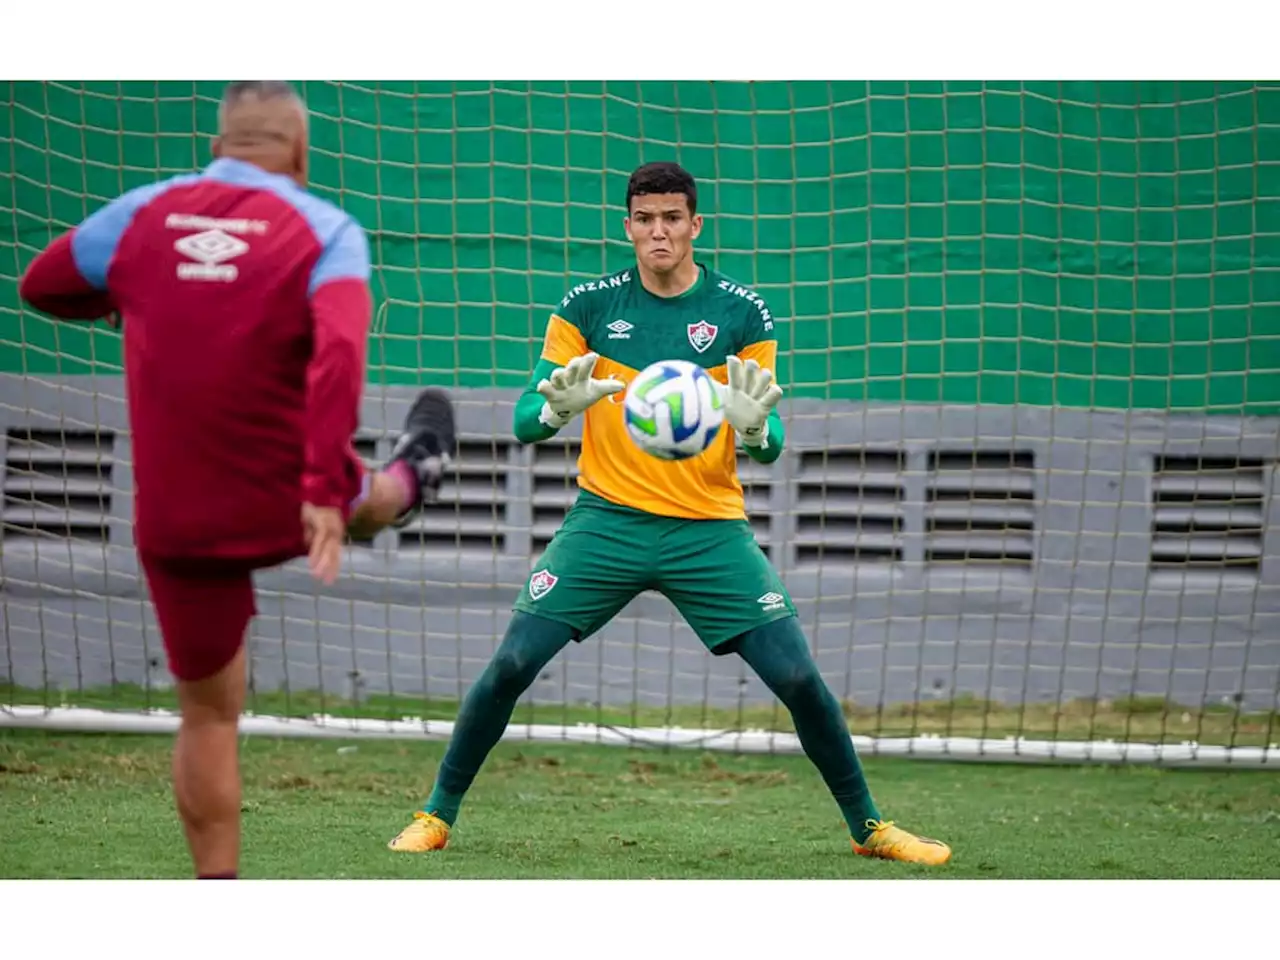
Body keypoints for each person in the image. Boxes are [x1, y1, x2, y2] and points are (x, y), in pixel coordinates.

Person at [388, 161, 951, 866]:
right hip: (606, 521)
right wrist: (556, 406)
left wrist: (752, 428)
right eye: (645, 219)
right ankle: (435, 814)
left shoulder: (741, 312)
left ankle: (869, 827)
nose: (659, 231)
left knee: (800, 678)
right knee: (511, 664)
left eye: (672, 219)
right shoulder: (588, 307)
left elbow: (771, 441)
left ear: (694, 226)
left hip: (708, 528)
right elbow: (527, 419)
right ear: (628, 227)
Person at [18, 80, 457, 879]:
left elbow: (40, 284)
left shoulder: (142, 212)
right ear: (301, 151)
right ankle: (412, 472)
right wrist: (324, 485)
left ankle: (216, 897)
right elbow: (338, 357)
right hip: (288, 484)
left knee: (209, 719)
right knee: (367, 507)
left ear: (219, 146)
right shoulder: (328, 229)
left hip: (179, 509)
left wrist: (137, 298)